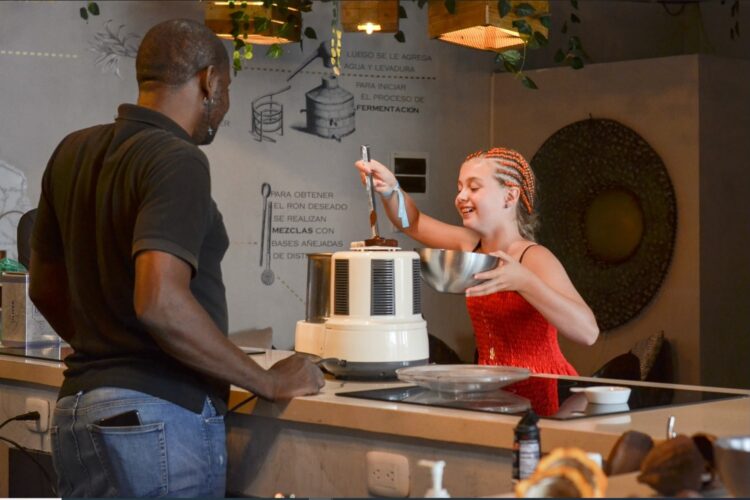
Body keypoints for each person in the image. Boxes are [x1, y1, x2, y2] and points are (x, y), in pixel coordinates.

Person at [29, 19, 324, 498]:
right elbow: (161, 302)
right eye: (226, 89)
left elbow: (43, 286)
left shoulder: (72, 150)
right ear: (210, 81)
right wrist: (265, 382)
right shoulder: (178, 158)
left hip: (78, 411)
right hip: (155, 417)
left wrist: (108, 347)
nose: (225, 107)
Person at [355, 147, 599, 375]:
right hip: (491, 380)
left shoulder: (533, 257)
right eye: (460, 187)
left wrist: (525, 281)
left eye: (474, 188)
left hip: (540, 381)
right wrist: (391, 188)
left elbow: (588, 333)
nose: (461, 196)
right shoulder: (471, 245)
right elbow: (412, 223)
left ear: (509, 196)